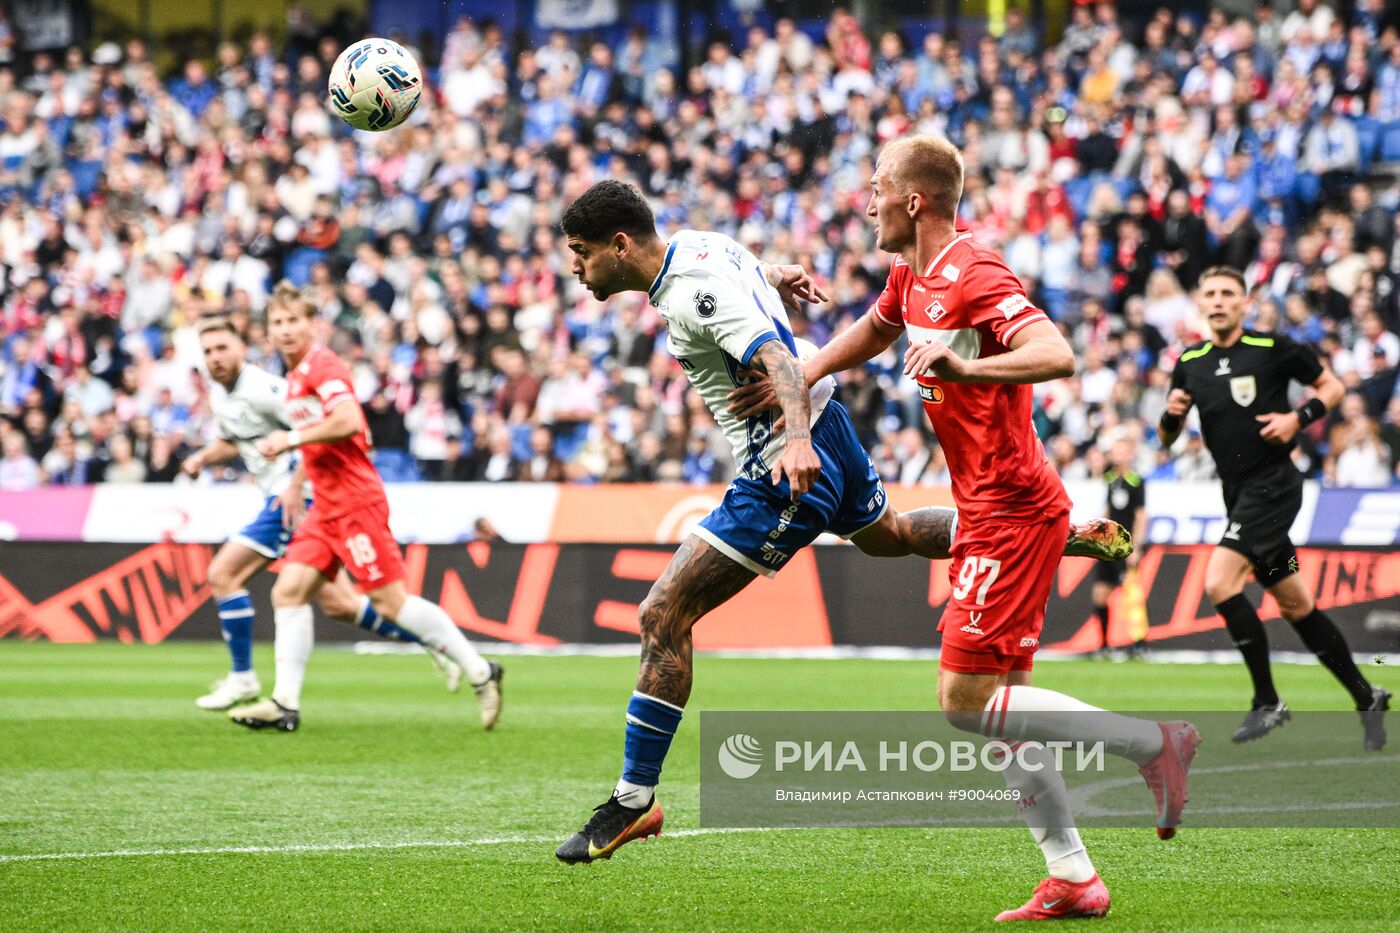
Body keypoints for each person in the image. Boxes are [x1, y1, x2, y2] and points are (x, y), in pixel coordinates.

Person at [550, 180, 1132, 867]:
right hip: (835, 426)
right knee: (888, 536)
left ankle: (632, 796)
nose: (576, 268)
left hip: (789, 458)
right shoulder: (701, 246)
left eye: (583, 253)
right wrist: (775, 277)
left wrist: (794, 440)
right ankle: (1046, 533)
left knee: (661, 614)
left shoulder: (691, 291)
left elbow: (772, 353)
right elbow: (740, 280)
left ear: (621, 244)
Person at [737, 136, 1198, 922]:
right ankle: (1075, 879)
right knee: (1003, 709)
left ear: (913, 199)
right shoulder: (911, 274)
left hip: (1013, 511)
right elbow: (878, 330)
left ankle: (1154, 743)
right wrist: (803, 376)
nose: (867, 197)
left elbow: (1055, 354)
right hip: (995, 507)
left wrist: (967, 370)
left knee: (963, 699)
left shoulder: (974, 271)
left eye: (878, 185)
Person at [227, 286, 503, 732]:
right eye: (277, 323)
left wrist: (289, 440)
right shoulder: (295, 376)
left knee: (390, 603)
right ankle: (284, 704)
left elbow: (349, 421)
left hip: (354, 502)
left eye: (293, 320)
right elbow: (321, 439)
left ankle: (480, 670)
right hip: (324, 505)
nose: (285, 330)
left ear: (312, 324)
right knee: (289, 592)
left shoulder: (323, 366)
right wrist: (299, 480)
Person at [1159, 266, 1388, 749]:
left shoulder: (1273, 348)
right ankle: (1368, 695)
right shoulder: (1191, 360)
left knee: (1219, 582)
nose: (1219, 301)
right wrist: (1170, 417)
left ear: (1246, 303)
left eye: (1229, 293)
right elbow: (1167, 435)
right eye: (1211, 294)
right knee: (1295, 604)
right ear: (1199, 304)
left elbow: (1332, 388)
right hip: (1237, 494)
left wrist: (1297, 419)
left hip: (1274, 486)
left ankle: (1267, 701)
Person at [185, 317, 462, 711]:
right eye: (208, 351)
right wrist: (201, 458)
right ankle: (433, 642)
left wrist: (297, 485)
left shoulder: (265, 389)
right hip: (289, 496)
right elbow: (240, 441)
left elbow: (315, 426)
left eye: (222, 347)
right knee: (342, 605)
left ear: (241, 348)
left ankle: (244, 678)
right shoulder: (222, 396)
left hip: (297, 499)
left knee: (223, 574)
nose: (216, 357)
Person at [1090, 436, 1149, 659]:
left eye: (1123, 451)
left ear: (1130, 454)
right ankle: (1104, 645)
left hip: (1125, 547)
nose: (1119, 456)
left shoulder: (1137, 481)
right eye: (1115, 451)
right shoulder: (1109, 479)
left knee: (1131, 595)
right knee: (1100, 594)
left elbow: (1141, 515)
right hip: (1108, 547)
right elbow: (1107, 511)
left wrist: (1136, 546)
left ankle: (1140, 644)